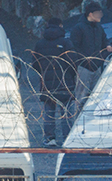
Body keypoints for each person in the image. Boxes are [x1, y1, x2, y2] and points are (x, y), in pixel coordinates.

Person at [32, 17, 78, 147]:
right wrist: (71, 75)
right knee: (67, 112)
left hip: (47, 83)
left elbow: (35, 63)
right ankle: (67, 138)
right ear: (60, 26)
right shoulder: (66, 42)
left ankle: (49, 138)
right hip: (65, 82)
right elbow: (72, 61)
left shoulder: (40, 44)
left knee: (49, 112)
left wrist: (44, 73)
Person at [70, 1, 112, 111]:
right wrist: (84, 60)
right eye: (98, 13)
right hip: (84, 67)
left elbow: (104, 39)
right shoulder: (78, 28)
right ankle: (77, 123)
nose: (100, 16)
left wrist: (107, 46)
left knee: (96, 97)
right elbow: (74, 47)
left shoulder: (98, 27)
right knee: (80, 98)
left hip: (97, 66)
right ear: (91, 14)